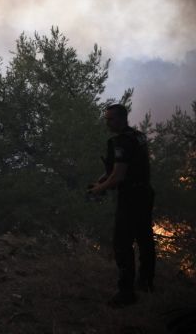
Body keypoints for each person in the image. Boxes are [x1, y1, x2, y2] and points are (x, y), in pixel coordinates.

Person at [88, 104, 156, 307]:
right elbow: (122, 167)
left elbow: (118, 176)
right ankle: (146, 282)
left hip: (131, 197)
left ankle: (126, 293)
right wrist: (102, 181)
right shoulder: (138, 136)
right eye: (106, 119)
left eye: (110, 119)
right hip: (145, 192)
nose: (107, 123)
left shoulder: (121, 142)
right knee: (145, 238)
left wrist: (97, 190)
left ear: (121, 119)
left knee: (122, 243)